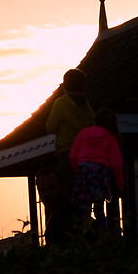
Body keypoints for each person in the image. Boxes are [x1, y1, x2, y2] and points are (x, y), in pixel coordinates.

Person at [40, 69, 95, 239]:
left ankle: (64, 229)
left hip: (67, 153)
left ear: (64, 85)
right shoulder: (86, 105)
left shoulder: (61, 103)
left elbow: (50, 127)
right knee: (83, 196)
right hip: (86, 156)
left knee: (64, 195)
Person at [71, 112, 126, 234]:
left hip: (83, 172)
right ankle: (103, 234)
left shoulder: (83, 133)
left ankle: (84, 235)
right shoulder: (110, 138)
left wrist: (78, 171)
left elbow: (73, 156)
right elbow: (117, 163)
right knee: (99, 209)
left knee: (83, 209)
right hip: (100, 174)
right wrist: (120, 184)